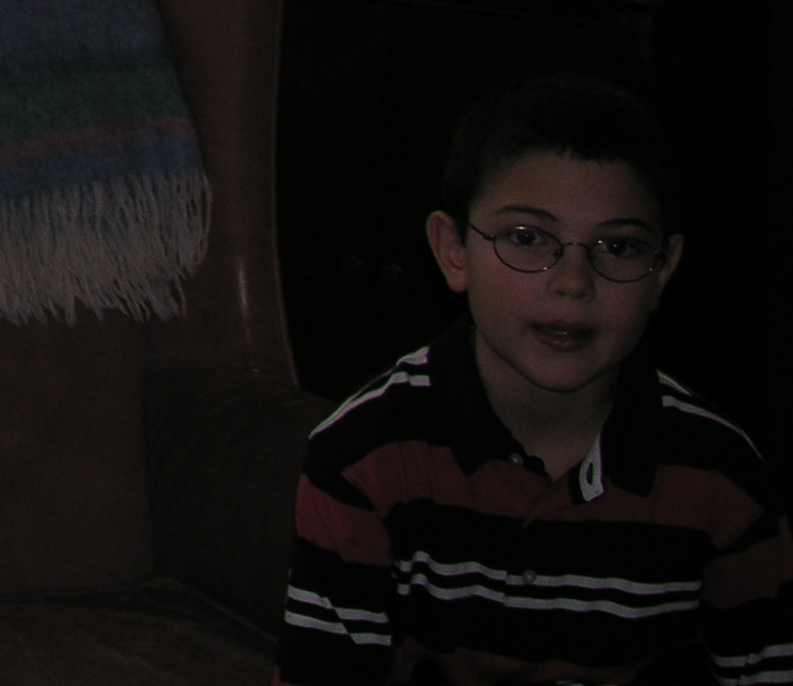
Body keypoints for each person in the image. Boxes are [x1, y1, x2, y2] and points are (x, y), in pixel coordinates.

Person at [274, 74, 792, 684]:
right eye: (527, 238)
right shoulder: (362, 455)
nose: (573, 282)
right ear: (454, 251)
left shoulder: (721, 474)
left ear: (663, 271)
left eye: (619, 247)